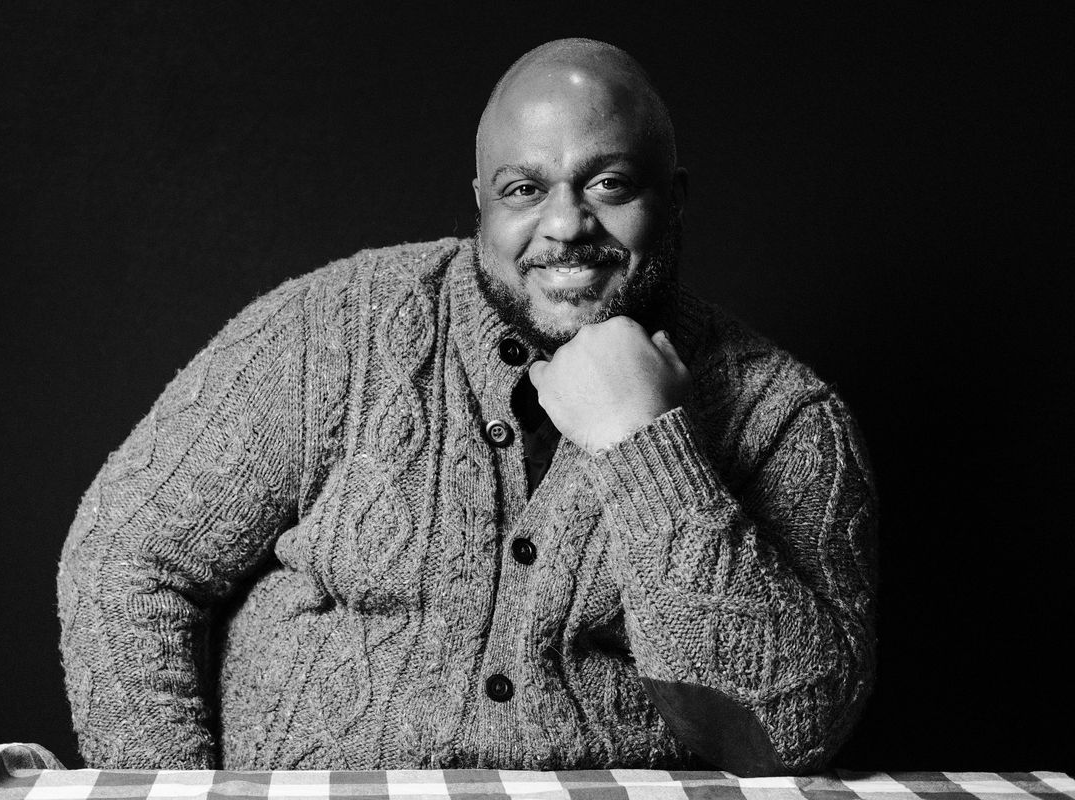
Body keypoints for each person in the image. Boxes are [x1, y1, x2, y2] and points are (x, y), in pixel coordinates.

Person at [57, 38, 877, 776]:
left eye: (610, 183)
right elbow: (126, 560)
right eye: (525, 188)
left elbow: (789, 731)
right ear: (481, 200)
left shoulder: (788, 419)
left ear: (677, 198)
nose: (566, 224)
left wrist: (650, 445)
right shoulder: (332, 331)